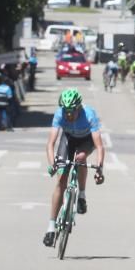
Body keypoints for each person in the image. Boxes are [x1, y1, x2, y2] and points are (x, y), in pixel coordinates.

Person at [43, 88, 105, 247]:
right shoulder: (59, 114)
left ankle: (82, 195)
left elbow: (99, 146)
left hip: (86, 141)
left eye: (71, 111)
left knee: (81, 158)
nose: (68, 115)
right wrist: (53, 165)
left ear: (78, 108)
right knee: (61, 181)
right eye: (66, 111)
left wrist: (99, 169)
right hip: (68, 140)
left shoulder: (89, 114)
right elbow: (50, 144)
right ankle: (50, 228)